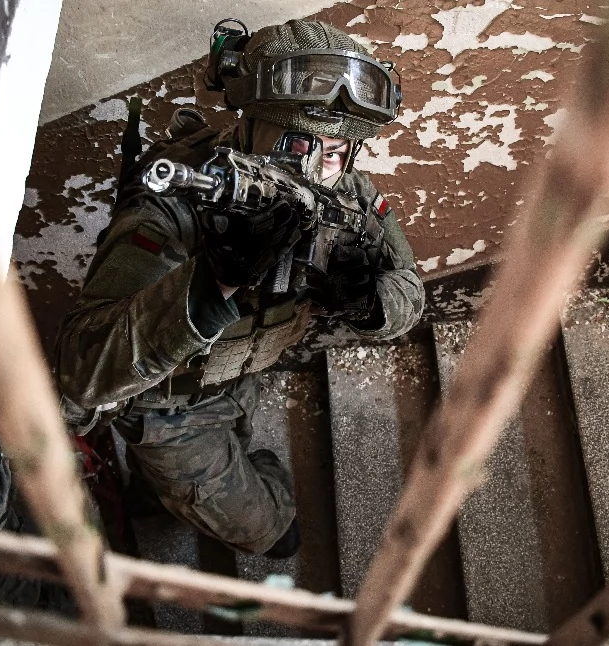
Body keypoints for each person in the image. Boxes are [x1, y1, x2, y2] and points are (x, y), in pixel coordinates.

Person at [54, 19, 425, 558]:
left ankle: (158, 493)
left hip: (242, 377)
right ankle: (188, 493)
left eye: (342, 150)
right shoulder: (174, 208)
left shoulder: (351, 196)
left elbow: (409, 295)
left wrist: (368, 302)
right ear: (253, 125)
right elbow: (79, 371)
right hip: (169, 411)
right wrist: (212, 282)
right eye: (302, 145)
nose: (324, 167)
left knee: (236, 441)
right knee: (274, 534)